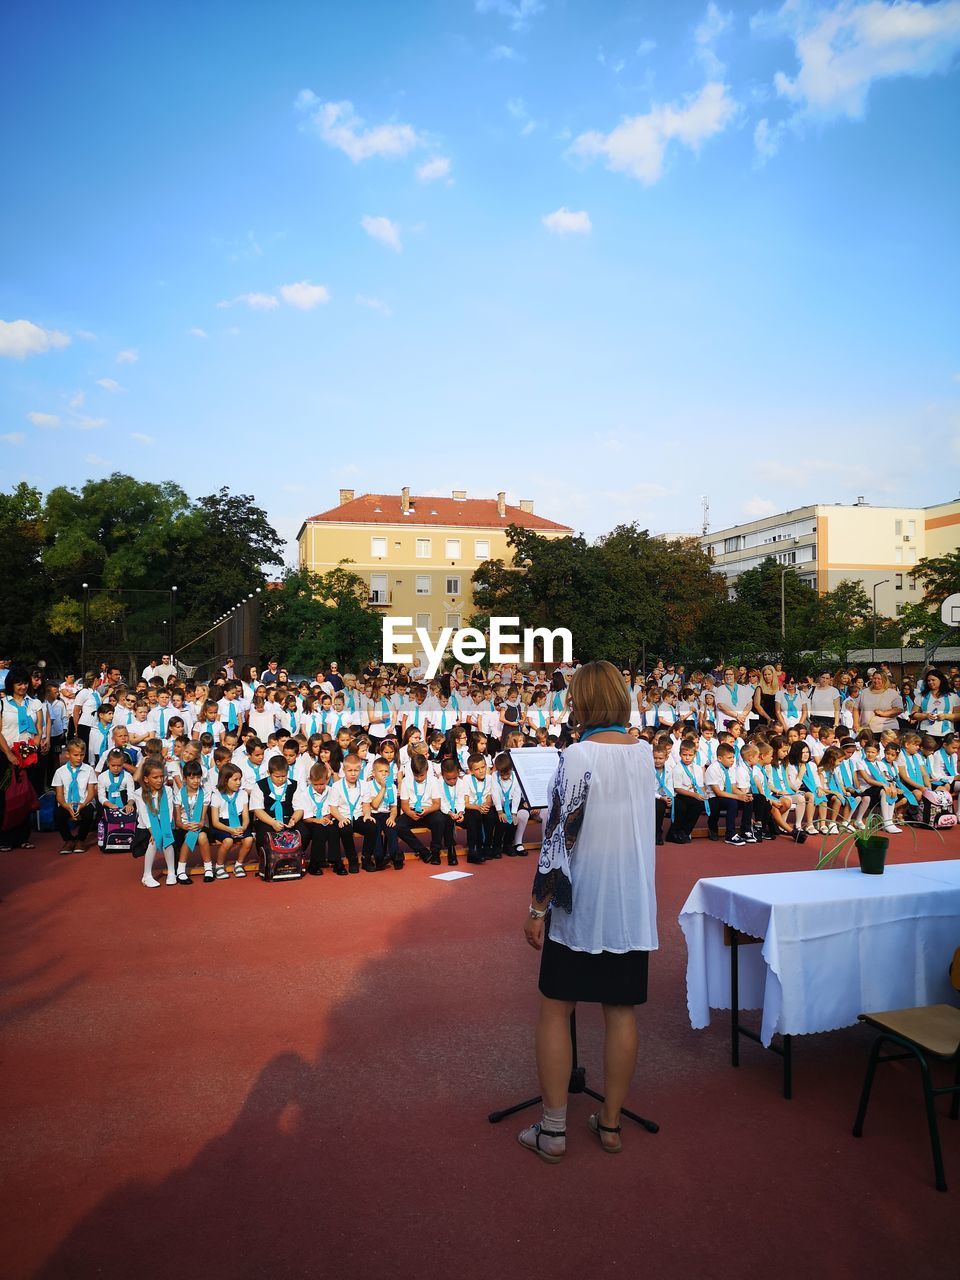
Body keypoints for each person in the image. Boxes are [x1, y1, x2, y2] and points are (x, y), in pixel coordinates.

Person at [519, 660, 657, 1163]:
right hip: (629, 902)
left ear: (581, 701)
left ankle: (554, 1130)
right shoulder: (645, 755)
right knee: (620, 1012)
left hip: (583, 903)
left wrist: (537, 908)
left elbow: (558, 839)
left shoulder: (577, 755)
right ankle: (612, 1125)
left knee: (557, 1009)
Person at [52, 738, 98, 854]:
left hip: (84, 802)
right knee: (58, 815)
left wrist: (82, 804)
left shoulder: (89, 770)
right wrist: (66, 806)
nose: (79, 758)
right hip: (67, 803)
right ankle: (68, 840)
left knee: (88, 813)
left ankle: (80, 839)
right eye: (76, 755)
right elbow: (59, 794)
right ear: (68, 755)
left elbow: (91, 792)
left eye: (82, 755)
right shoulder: (60, 771)